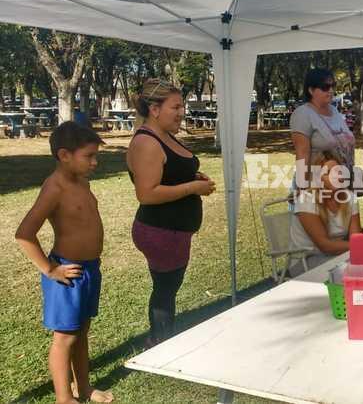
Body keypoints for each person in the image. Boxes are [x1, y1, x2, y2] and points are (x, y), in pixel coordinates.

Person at [15, 122, 114, 404]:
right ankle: (63, 398)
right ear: (64, 155)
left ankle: (82, 388)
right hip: (67, 272)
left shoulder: (82, 182)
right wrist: (50, 269)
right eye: (89, 156)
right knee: (65, 338)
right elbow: (24, 234)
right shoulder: (54, 188)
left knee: (81, 332)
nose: (95, 162)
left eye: (96, 156)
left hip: (89, 269)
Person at [127, 79, 215, 346]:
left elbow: (170, 173)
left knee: (167, 288)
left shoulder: (163, 136)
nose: (181, 112)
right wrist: (192, 187)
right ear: (155, 109)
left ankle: (162, 338)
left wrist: (192, 176)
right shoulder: (147, 142)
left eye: (182, 106)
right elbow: (147, 193)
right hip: (161, 231)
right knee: (165, 290)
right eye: (175, 107)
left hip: (172, 231)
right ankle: (161, 343)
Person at [290, 151, 363, 274]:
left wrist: (360, 246)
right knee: (356, 270)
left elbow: (355, 238)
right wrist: (361, 246)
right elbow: (324, 245)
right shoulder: (307, 200)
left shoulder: (350, 197)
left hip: (339, 255)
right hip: (306, 259)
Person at [290, 68, 356, 194]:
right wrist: (302, 189)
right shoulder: (302, 114)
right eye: (325, 87)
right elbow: (302, 154)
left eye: (333, 86)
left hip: (341, 183)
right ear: (311, 90)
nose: (331, 90)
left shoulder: (335, 111)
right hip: (316, 187)